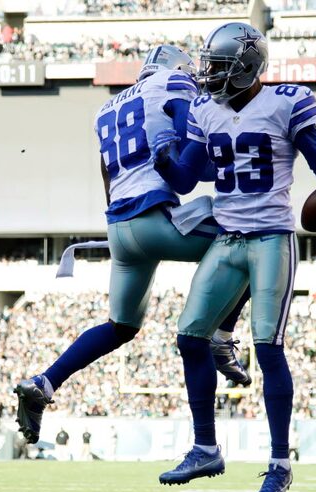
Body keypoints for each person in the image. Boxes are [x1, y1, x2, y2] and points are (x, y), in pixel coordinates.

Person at [152, 22, 316, 492]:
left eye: (219, 67)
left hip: (270, 238)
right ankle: (205, 450)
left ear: (245, 66)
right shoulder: (205, 110)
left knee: (268, 347)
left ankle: (280, 465)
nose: (209, 75)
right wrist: (162, 160)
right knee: (189, 337)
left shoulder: (286, 101)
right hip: (227, 235)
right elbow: (183, 177)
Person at [14, 44, 252, 445]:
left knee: (120, 326)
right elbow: (189, 144)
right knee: (250, 244)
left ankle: (45, 383)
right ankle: (222, 336)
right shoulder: (174, 83)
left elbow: (107, 174)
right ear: (180, 71)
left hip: (120, 229)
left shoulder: (107, 108)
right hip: (154, 216)